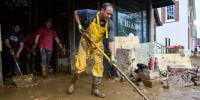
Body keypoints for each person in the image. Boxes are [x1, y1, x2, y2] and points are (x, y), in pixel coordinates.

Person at [67, 3, 116, 98]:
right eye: (107, 13)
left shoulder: (109, 23)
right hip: (86, 41)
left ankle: (95, 89)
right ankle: (72, 83)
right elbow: (75, 13)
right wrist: (80, 26)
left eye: (111, 14)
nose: (109, 16)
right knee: (81, 65)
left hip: (97, 44)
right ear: (102, 10)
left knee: (99, 66)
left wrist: (112, 57)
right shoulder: (90, 13)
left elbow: (111, 42)